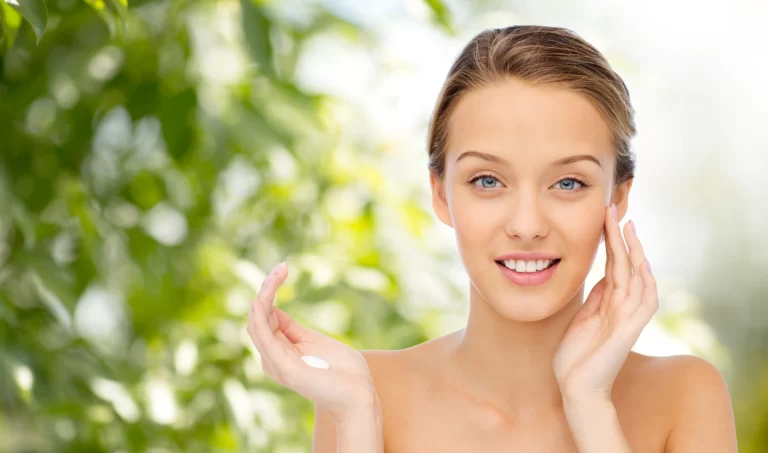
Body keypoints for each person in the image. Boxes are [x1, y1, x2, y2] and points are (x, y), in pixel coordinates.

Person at [247, 25, 738, 453]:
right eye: (487, 181)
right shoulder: (365, 392)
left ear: (618, 197)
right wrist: (357, 422)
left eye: (568, 183)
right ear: (441, 194)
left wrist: (590, 406)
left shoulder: (684, 396)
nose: (527, 225)